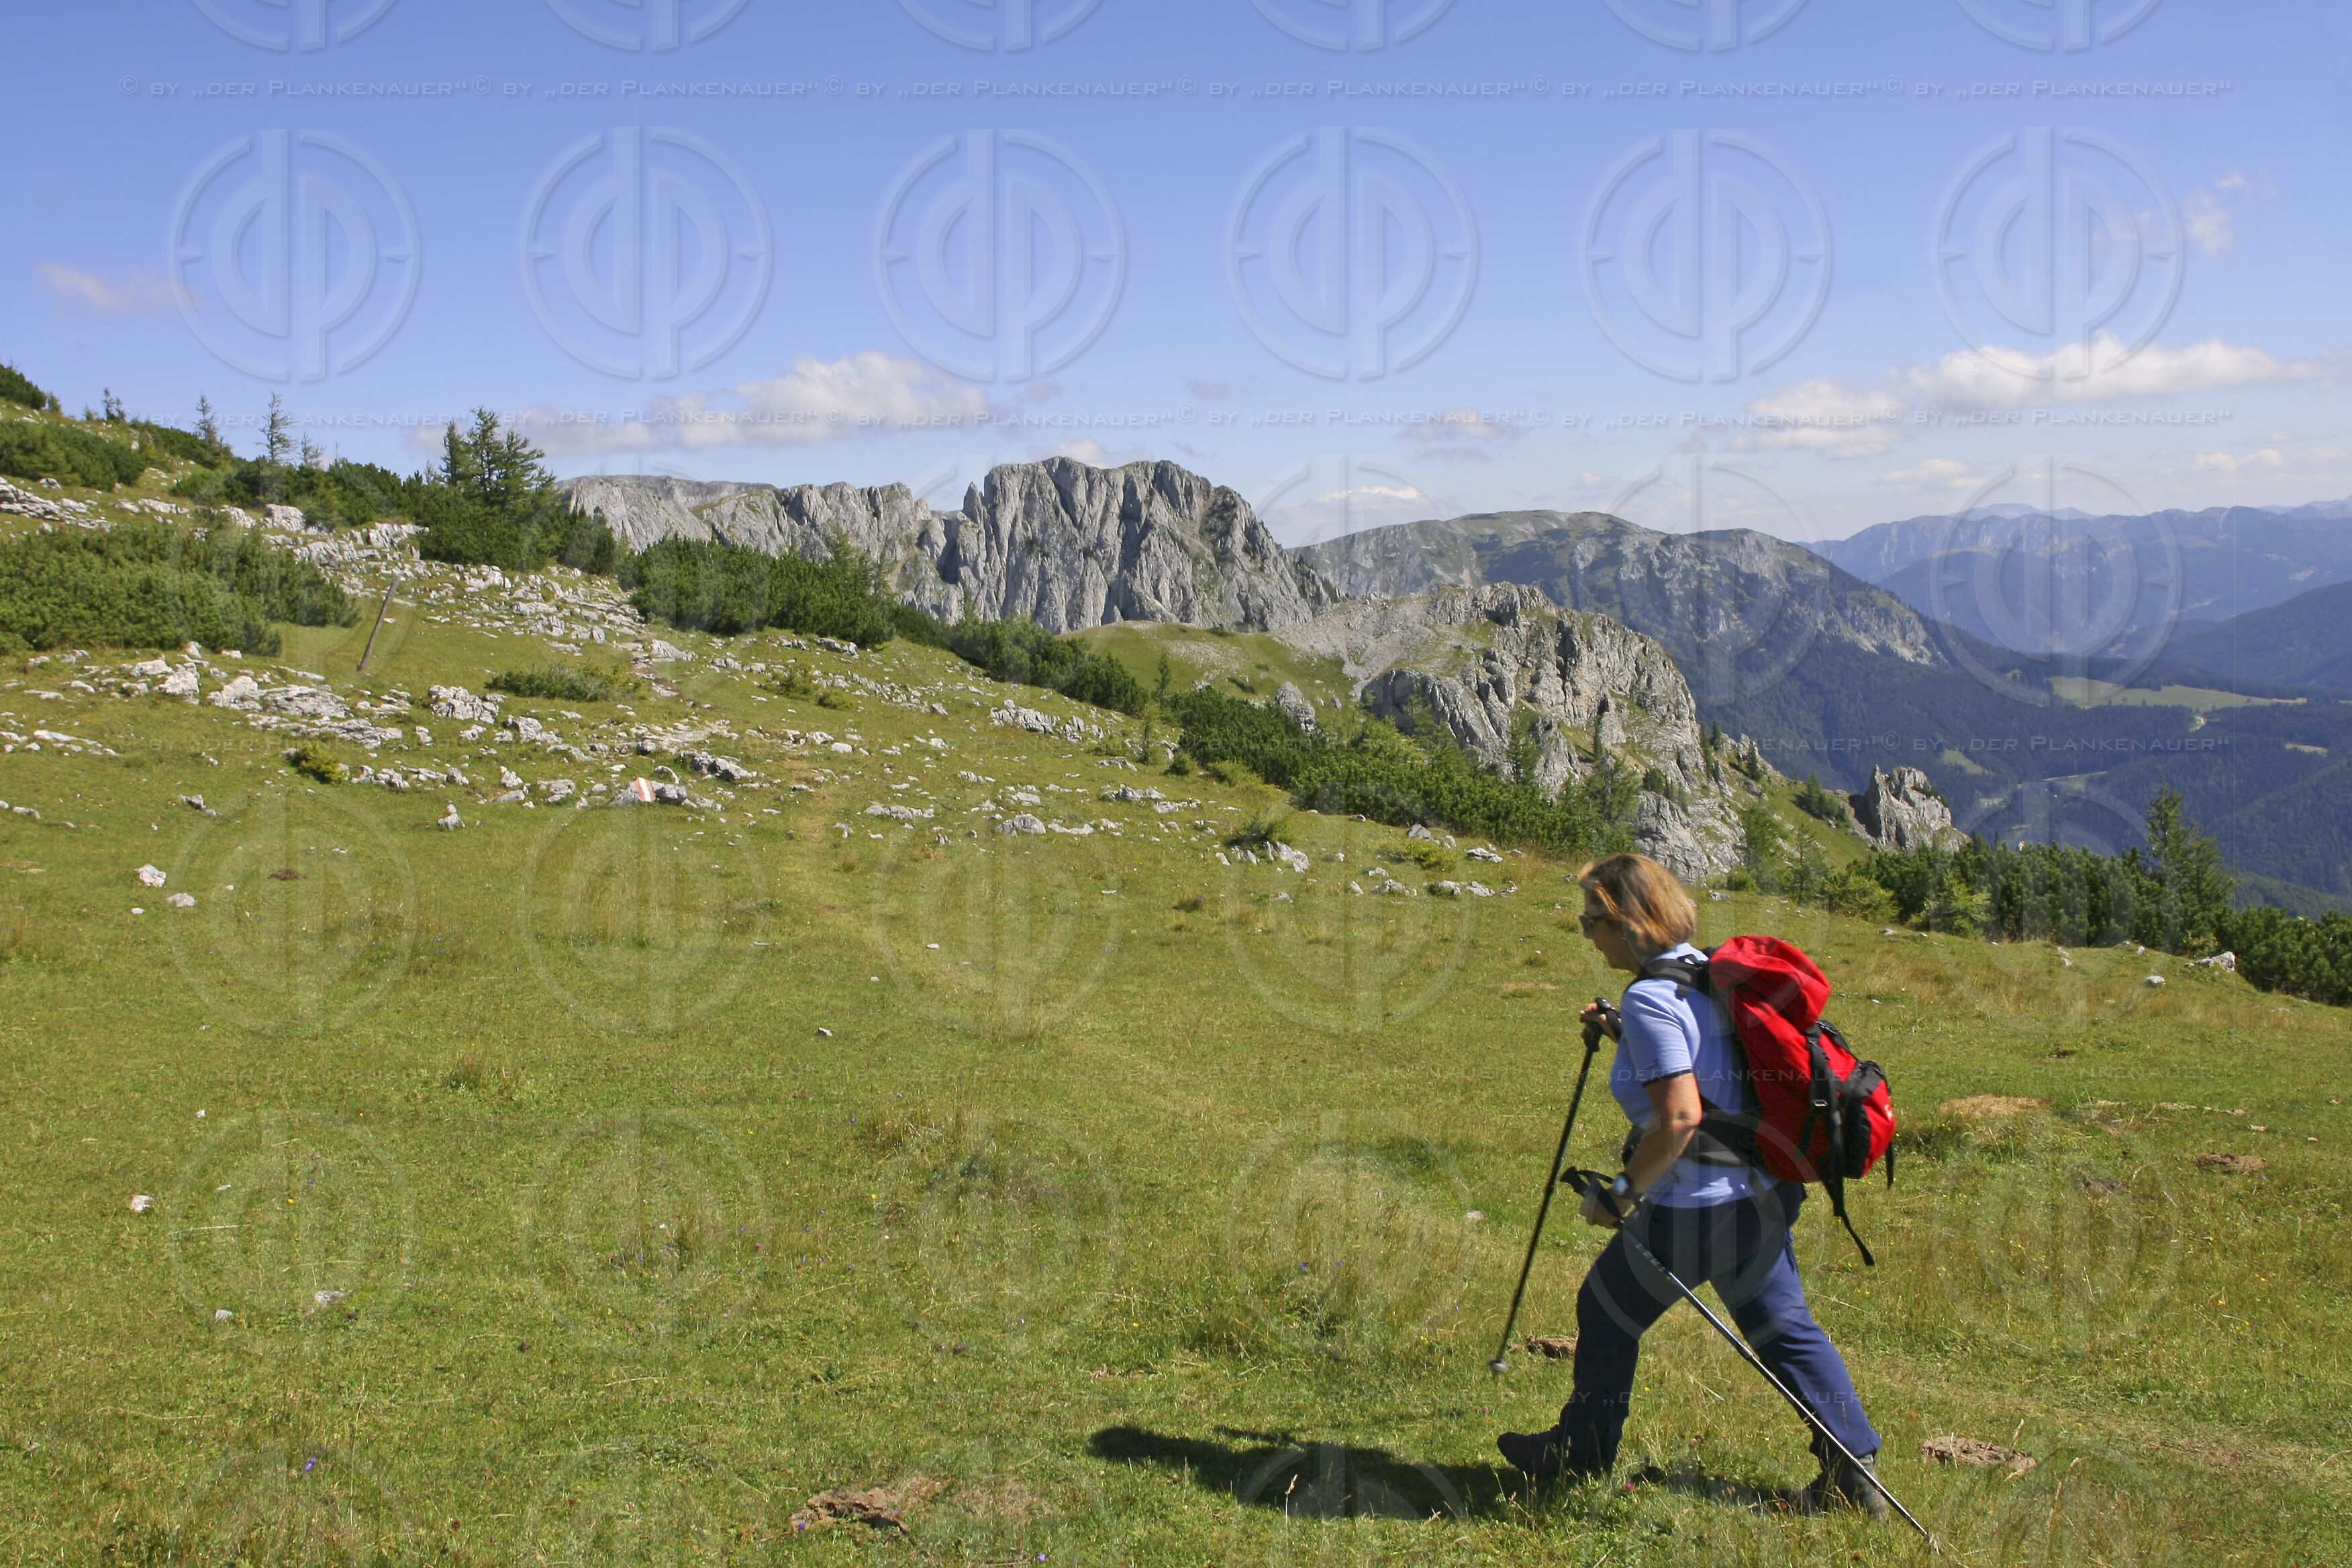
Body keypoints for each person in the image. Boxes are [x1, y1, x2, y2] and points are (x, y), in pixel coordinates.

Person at [1496, 852, 1887, 1518]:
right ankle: (1856, 1473)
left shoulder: (1652, 996)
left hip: (1699, 1207)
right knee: (1784, 1328)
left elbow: (1680, 1116)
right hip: (1765, 1194)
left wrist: (1620, 1194)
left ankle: (1580, 1453)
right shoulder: (1709, 972)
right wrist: (1622, 1032)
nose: (1587, 933)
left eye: (1593, 919)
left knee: (1605, 1305)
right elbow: (1719, 1069)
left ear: (1626, 922)